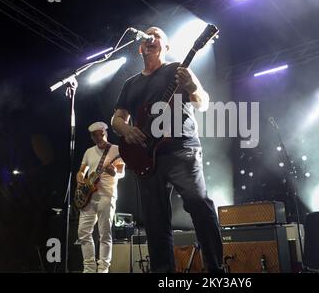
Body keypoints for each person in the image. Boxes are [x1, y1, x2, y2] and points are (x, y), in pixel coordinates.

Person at [112, 27, 224, 273]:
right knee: (155, 222)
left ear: (167, 46)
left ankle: (216, 270)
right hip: (146, 157)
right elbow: (117, 119)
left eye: (157, 35)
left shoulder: (176, 70)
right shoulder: (130, 84)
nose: (150, 37)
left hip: (181, 149)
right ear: (140, 47)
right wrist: (127, 130)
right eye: (147, 36)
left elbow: (203, 103)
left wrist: (192, 87)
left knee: (199, 205)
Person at [76, 121, 125, 273]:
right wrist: (80, 179)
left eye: (101, 134)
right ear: (91, 137)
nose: (99, 138)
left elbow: (122, 172)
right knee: (83, 232)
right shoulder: (89, 152)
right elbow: (81, 171)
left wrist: (114, 173)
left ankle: (103, 269)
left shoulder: (117, 150)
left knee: (104, 234)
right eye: (95, 136)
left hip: (107, 196)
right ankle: (89, 268)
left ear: (106, 133)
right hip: (89, 197)